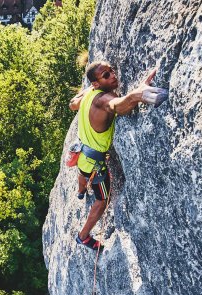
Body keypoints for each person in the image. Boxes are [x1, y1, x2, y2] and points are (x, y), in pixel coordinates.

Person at [68, 61, 168, 251]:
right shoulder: (103, 100)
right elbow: (117, 106)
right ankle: (83, 236)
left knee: (82, 172)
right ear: (97, 83)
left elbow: (73, 105)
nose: (113, 75)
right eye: (106, 75)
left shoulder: (89, 93)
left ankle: (81, 191)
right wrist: (137, 95)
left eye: (111, 70)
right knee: (102, 200)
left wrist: (86, 90)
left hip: (81, 153)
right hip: (95, 163)